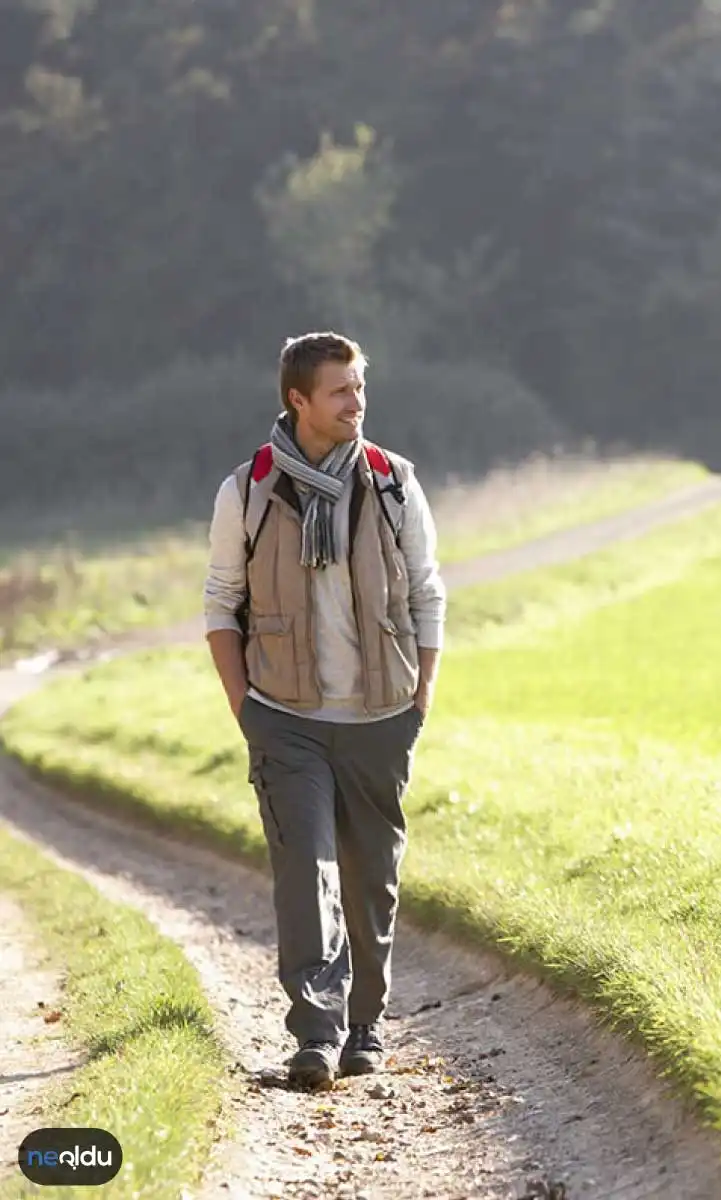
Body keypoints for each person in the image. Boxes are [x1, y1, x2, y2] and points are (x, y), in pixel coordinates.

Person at [203, 331, 446, 1090]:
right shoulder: (246, 490)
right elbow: (221, 605)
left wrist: (423, 691)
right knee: (305, 872)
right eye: (340, 390)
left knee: (371, 878)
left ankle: (365, 1025)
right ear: (298, 400)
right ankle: (315, 1032)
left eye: (360, 387)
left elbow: (427, 591)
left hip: (380, 717)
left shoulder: (393, 481)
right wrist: (248, 708)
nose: (357, 402)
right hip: (287, 719)